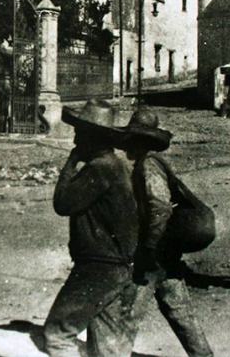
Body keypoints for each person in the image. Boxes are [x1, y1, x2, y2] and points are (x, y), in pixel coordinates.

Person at [44, 99, 139, 357]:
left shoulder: (100, 169)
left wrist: (71, 163)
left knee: (57, 335)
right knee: (107, 348)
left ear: (92, 137)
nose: (75, 139)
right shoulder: (118, 165)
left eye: (79, 132)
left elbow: (62, 203)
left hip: (98, 267)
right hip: (119, 267)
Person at [121, 108, 214, 357]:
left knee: (128, 310)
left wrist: (149, 249)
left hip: (157, 252)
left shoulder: (148, 165)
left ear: (139, 140)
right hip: (167, 250)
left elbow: (160, 207)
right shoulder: (154, 162)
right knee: (179, 307)